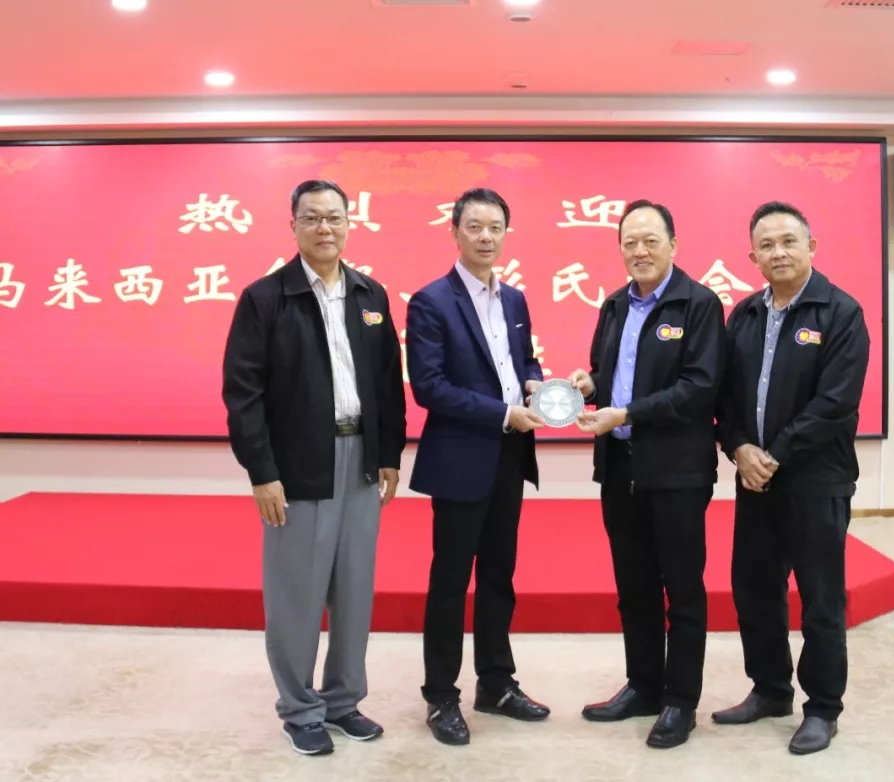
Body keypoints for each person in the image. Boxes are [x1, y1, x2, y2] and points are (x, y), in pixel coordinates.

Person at [221, 179, 407, 756]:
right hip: (298, 463)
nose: (325, 228)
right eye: (312, 218)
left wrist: (389, 454)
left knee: (354, 589)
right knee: (297, 593)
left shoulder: (370, 295)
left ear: (350, 223)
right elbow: (243, 393)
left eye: (334, 217)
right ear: (294, 225)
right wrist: (261, 472)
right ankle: (300, 708)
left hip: (361, 463)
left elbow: (387, 382)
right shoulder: (266, 298)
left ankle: (344, 700)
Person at [711, 201, 871, 755]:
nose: (777, 252)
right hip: (755, 479)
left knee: (820, 599)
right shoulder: (744, 315)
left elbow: (835, 404)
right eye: (766, 245)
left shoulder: (841, 313)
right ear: (751, 256)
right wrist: (738, 447)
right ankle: (770, 689)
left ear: (811, 247)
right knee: (755, 589)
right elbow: (724, 396)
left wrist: (772, 455)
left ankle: (823, 707)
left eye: (788, 241)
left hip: (816, 481)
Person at [568, 199, 726, 750]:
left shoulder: (699, 304)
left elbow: (699, 387)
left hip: (677, 472)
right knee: (633, 587)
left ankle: (680, 700)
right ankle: (643, 686)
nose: (640, 250)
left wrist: (627, 414)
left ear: (673, 245)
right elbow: (607, 372)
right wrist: (589, 385)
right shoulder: (614, 304)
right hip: (620, 469)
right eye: (630, 242)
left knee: (682, 590)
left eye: (650, 240)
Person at [405, 187, 550, 746]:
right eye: (475, 227)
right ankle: (441, 695)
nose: (486, 237)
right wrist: (504, 413)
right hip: (462, 459)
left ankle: (496, 682)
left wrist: (534, 384)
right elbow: (429, 386)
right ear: (455, 232)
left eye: (495, 228)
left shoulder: (514, 300)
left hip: (510, 456)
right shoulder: (431, 301)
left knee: (498, 575)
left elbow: (523, 362)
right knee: (450, 581)